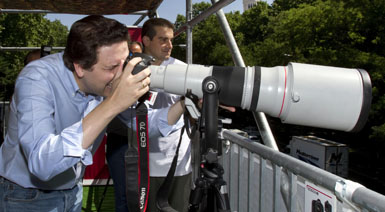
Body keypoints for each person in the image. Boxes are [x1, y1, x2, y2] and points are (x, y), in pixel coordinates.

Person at [0, 15, 184, 212]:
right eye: (112, 67)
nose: (121, 75)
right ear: (80, 66)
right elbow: (42, 162)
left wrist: (184, 103)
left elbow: (145, 125)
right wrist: (113, 104)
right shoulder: (36, 78)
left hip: (72, 191)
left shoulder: (102, 83)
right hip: (27, 197)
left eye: (124, 63)